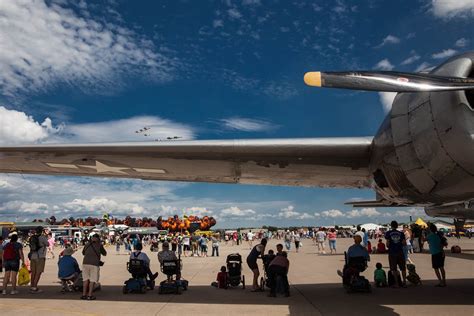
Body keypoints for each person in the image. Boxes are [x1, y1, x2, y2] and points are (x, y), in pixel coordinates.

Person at [81, 234, 107, 300]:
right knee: (92, 280)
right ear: (98, 239)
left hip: (85, 263)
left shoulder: (87, 245)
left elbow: (83, 253)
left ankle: (84, 295)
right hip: (94, 264)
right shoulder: (99, 245)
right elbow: (105, 253)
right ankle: (89, 295)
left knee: (85, 279)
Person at [385, 220, 407, 287]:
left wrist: (390, 245)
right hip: (400, 252)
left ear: (391, 226)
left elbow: (388, 244)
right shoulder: (401, 233)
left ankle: (397, 283)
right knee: (403, 268)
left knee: (394, 268)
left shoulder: (388, 233)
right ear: (397, 226)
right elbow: (404, 243)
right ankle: (404, 282)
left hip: (392, 252)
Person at [29, 226, 49, 293]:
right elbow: (48, 244)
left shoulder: (32, 237)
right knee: (38, 272)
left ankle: (32, 286)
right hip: (40, 257)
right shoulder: (42, 237)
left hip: (33, 256)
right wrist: (46, 236)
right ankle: (34, 287)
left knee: (33, 273)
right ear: (42, 231)